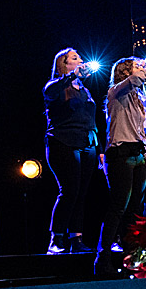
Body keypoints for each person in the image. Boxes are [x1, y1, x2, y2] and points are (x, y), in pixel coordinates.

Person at [94, 57, 146, 274]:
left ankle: (130, 256)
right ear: (126, 71)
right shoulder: (115, 91)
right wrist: (144, 70)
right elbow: (133, 80)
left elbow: (142, 130)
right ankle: (103, 257)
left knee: (135, 209)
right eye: (137, 67)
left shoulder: (139, 97)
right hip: (119, 154)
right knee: (119, 205)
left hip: (137, 153)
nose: (142, 70)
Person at [43, 48, 100, 254]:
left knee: (82, 193)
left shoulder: (84, 90)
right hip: (63, 142)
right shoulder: (55, 86)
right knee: (69, 191)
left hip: (87, 143)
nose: (80, 61)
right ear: (64, 65)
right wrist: (71, 77)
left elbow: (91, 120)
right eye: (75, 58)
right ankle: (56, 238)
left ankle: (76, 238)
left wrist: (99, 150)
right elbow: (50, 94)